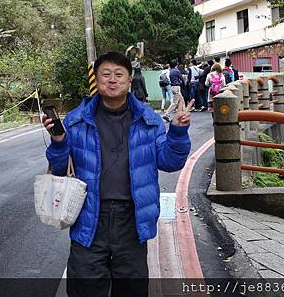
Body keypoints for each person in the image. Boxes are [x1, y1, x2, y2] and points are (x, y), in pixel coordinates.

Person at [43, 52, 193, 297]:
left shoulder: (149, 121)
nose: (112, 80)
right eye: (105, 74)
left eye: (118, 74)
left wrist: (177, 131)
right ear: (96, 79)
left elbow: (169, 161)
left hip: (132, 220)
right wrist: (58, 142)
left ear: (129, 80)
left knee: (131, 289)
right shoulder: (75, 121)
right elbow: (59, 170)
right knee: (85, 288)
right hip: (89, 217)